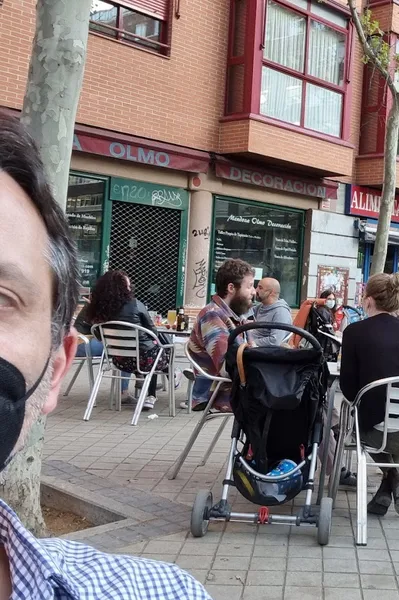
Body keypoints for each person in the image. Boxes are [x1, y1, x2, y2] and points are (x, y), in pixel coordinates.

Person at [0, 114, 210, 599]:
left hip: (117, 363)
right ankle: (153, 400)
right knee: (160, 360)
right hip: (142, 361)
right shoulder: (136, 309)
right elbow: (155, 340)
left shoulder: (163, 594)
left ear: (55, 369)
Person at [339, 272, 399, 517]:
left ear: (368, 300)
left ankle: (392, 476)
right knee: (394, 413)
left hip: (382, 433)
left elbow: (348, 390)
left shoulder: (355, 332)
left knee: (363, 418)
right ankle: (388, 485)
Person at [83, 270, 180, 411]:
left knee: (152, 348)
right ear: (123, 289)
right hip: (145, 360)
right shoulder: (135, 304)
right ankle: (166, 379)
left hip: (118, 361)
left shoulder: (98, 309)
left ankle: (154, 389)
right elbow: (153, 331)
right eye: (128, 286)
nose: (130, 289)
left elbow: (99, 337)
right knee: (157, 347)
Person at [186, 258, 255, 412]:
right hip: (222, 392)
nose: (254, 291)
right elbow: (227, 367)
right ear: (231, 288)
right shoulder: (212, 316)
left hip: (239, 387)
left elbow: (252, 350)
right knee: (286, 401)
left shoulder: (237, 316)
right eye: (250, 286)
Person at [73, 300, 133, 398]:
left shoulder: (103, 300)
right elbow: (106, 330)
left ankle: (136, 383)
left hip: (88, 340)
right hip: (82, 343)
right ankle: (125, 391)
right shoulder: (102, 303)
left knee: (127, 346)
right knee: (126, 347)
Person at [251, 277, 293, 346]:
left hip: (260, 352)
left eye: (260, 288)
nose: (256, 290)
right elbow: (245, 313)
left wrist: (250, 342)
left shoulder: (281, 312)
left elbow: (275, 341)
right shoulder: (261, 306)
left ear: (271, 293)